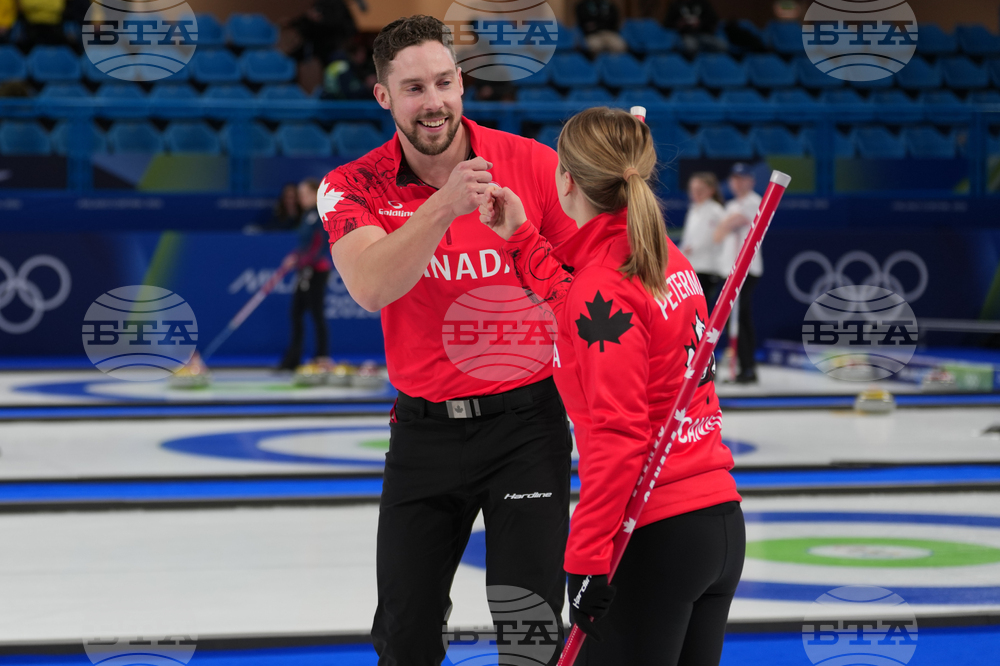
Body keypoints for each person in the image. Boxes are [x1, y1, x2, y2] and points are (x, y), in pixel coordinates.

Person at [316, 15, 579, 665]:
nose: (432, 102)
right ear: (384, 96)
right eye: (413, 89)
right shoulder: (351, 186)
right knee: (405, 635)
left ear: (461, 83)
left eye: (442, 83)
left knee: (530, 636)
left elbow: (584, 290)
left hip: (526, 426)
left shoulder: (533, 164)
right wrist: (444, 205)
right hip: (423, 433)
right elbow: (371, 287)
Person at [478, 106, 744, 666]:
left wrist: (584, 558)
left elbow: (617, 435)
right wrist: (521, 237)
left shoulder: (603, 285)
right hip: (715, 525)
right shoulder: (661, 255)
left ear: (566, 180)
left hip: (651, 536)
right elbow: (576, 304)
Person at [713, 163, 762, 384]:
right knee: (737, 319)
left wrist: (724, 226)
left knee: (739, 319)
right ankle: (745, 367)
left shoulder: (754, 202)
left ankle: (747, 369)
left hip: (746, 270)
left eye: (743, 178)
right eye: (734, 179)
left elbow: (727, 227)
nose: (738, 183)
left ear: (751, 181)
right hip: (729, 270)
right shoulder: (731, 205)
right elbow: (718, 235)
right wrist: (725, 226)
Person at [278, 178, 332, 371]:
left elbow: (320, 243)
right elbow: (305, 245)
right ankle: (293, 358)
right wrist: (295, 256)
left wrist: (303, 260)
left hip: (316, 271)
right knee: (296, 313)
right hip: (305, 269)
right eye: (300, 195)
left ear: (315, 194)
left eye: (305, 194)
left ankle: (321, 357)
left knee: (316, 314)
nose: (301, 198)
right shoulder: (306, 216)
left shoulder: (319, 214)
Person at [679, 172, 725, 310]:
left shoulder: (716, 211)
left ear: (711, 190)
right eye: (693, 189)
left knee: (700, 308)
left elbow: (713, 239)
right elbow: (687, 239)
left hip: (707, 268)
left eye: (700, 190)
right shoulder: (693, 209)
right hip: (691, 268)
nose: (696, 193)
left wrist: (690, 249)